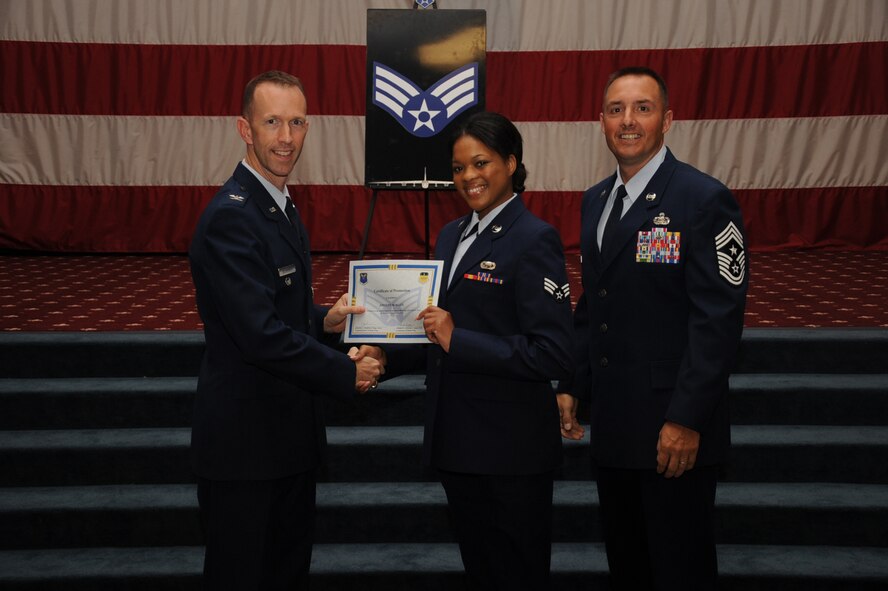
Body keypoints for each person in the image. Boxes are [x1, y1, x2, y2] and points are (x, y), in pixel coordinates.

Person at [361, 111, 575, 590]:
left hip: (511, 452)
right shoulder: (451, 234)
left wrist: (462, 339)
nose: (469, 177)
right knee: (481, 572)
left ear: (512, 163)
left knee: (517, 575)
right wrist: (383, 356)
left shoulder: (536, 238)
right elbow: (435, 334)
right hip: (457, 444)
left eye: (481, 163)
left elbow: (554, 353)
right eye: (459, 168)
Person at [188, 70, 383, 590]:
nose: (286, 137)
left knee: (286, 573)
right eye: (272, 122)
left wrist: (325, 319)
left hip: (285, 442)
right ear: (244, 129)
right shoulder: (234, 216)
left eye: (296, 122)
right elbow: (260, 336)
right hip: (245, 451)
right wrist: (347, 370)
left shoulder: (279, 205)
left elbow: (273, 309)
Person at [556, 67, 748, 590]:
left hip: (673, 431)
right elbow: (592, 306)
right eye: (616, 109)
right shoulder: (595, 200)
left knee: (679, 570)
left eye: (642, 108)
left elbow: (718, 322)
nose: (628, 121)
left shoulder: (702, 199)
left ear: (667, 119)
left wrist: (687, 419)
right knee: (629, 566)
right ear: (601, 122)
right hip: (615, 427)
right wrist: (574, 383)